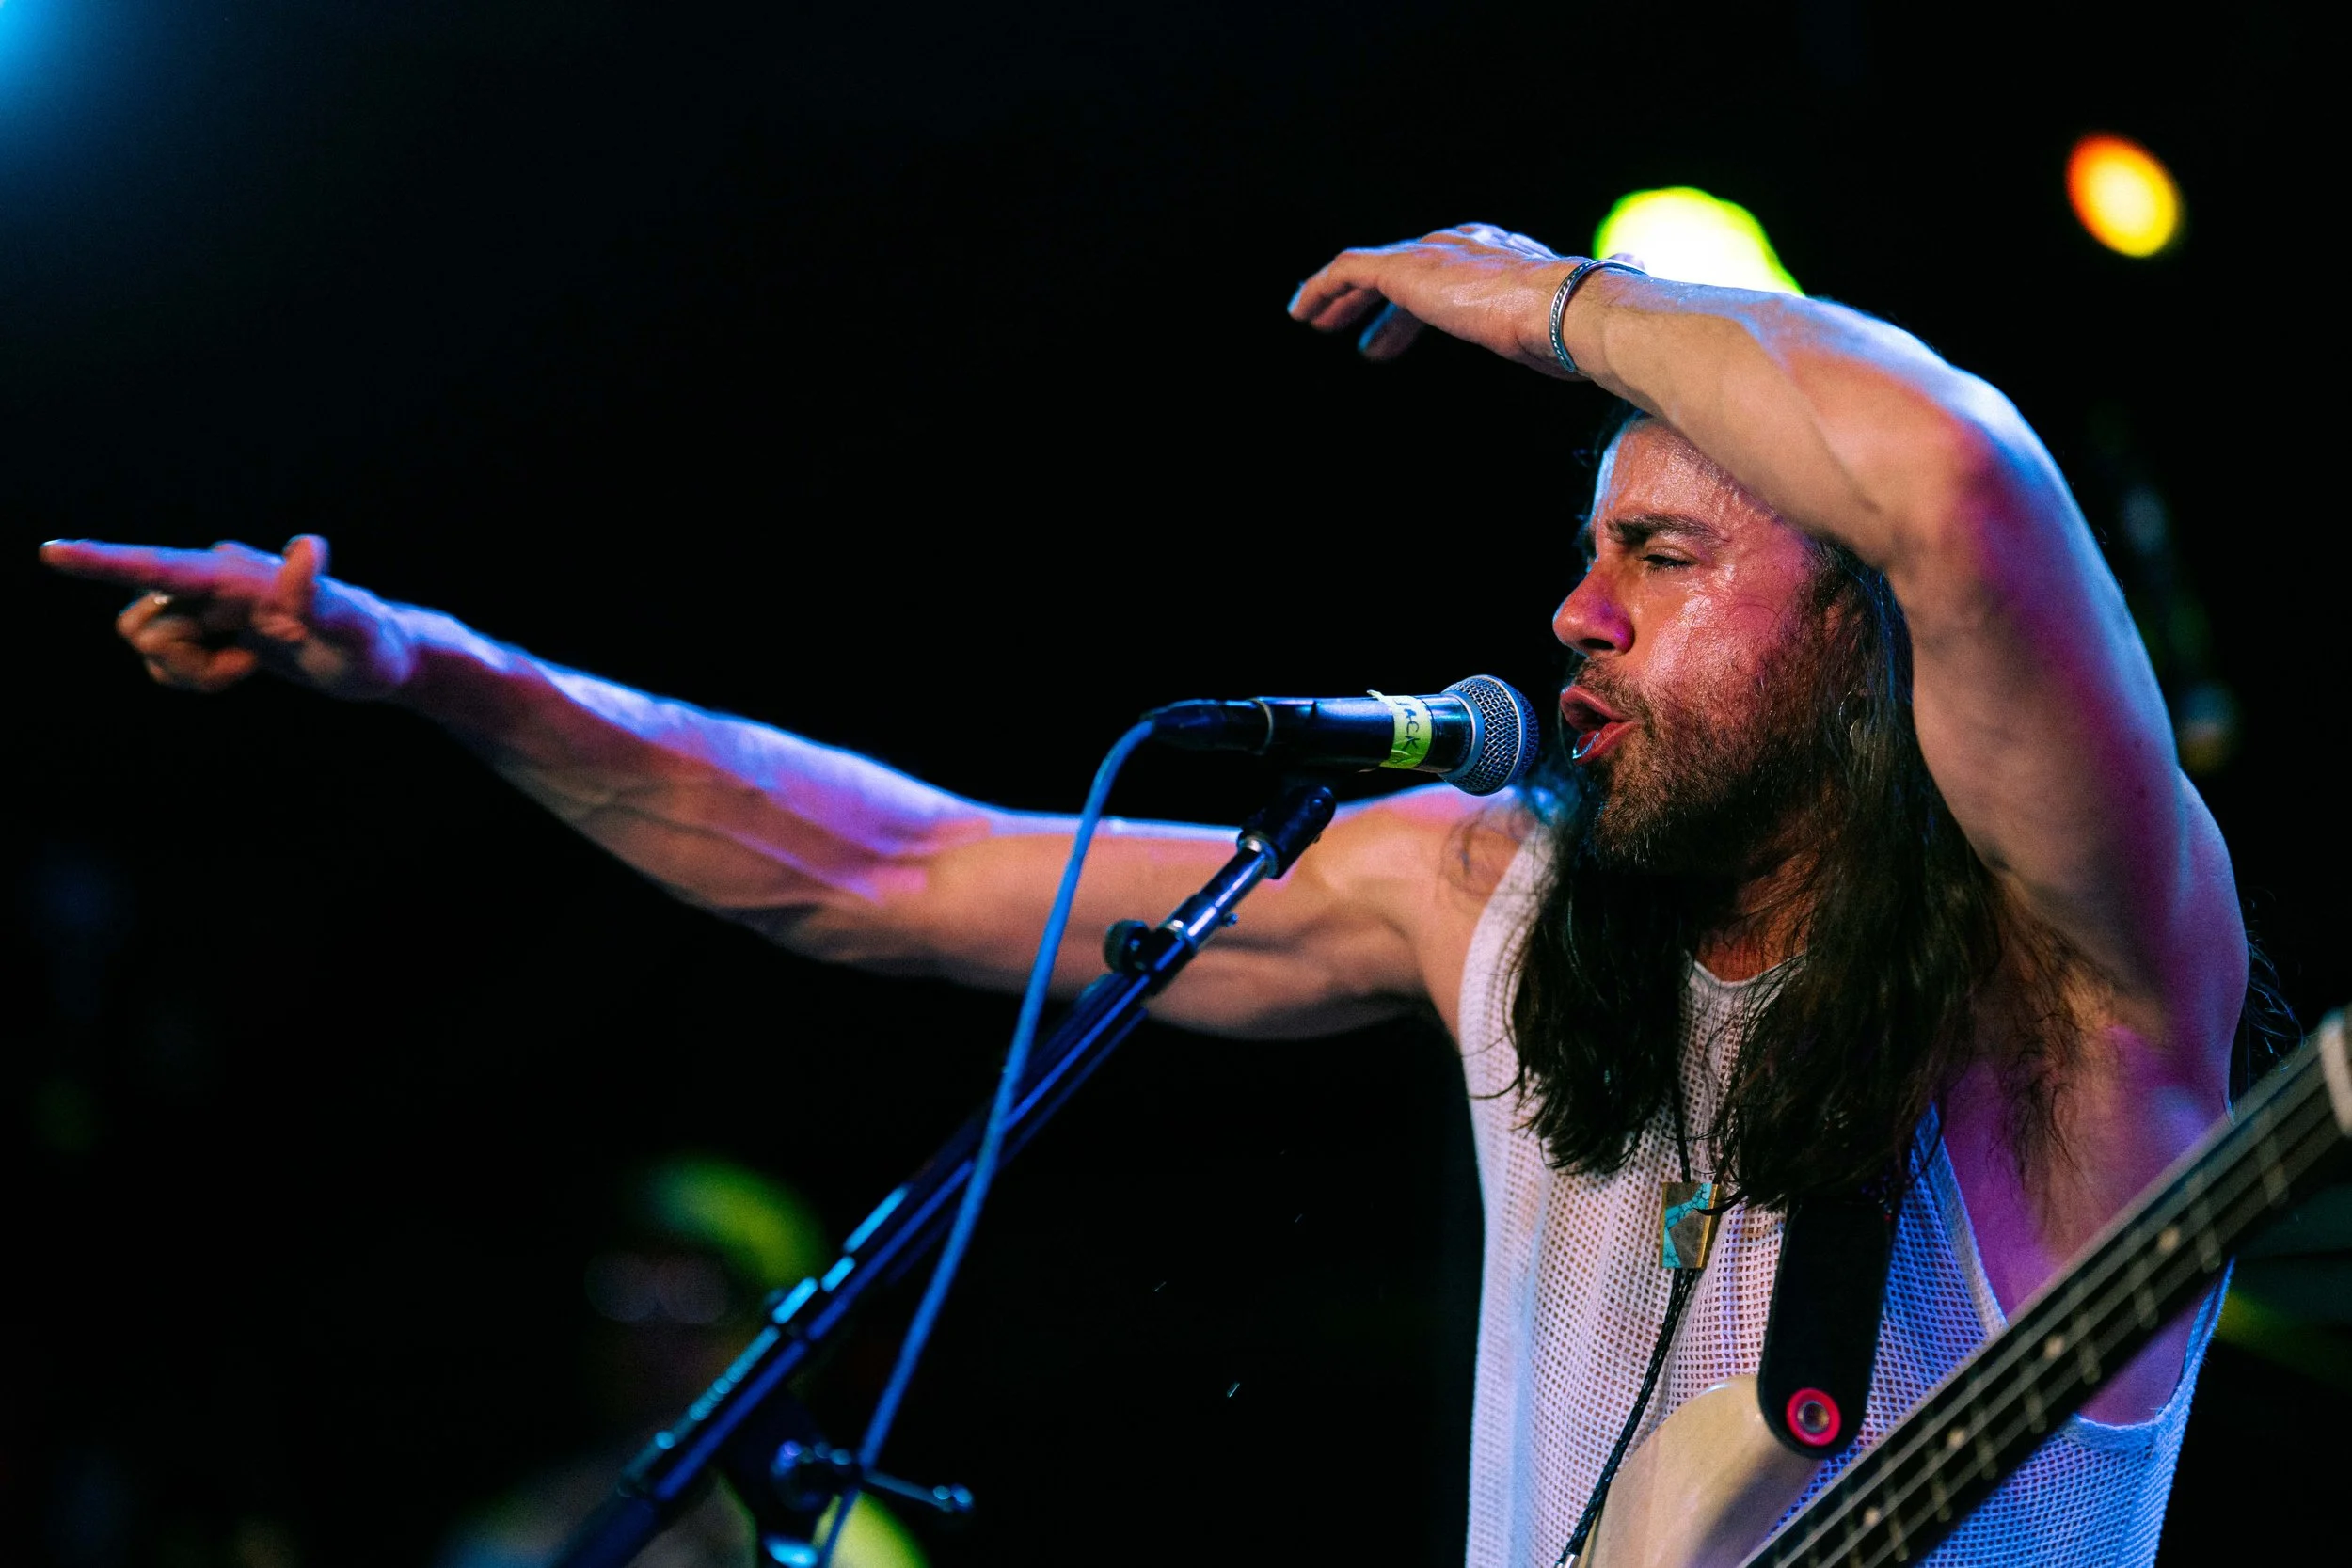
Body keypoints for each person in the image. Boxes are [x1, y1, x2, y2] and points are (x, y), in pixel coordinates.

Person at [40, 222, 2265, 1567]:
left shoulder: (2073, 997)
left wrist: (1560, 306)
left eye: (1659, 558)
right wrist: (433, 670)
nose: (1570, 615)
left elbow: (1959, 487)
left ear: (1862, 643)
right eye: (1581, 548)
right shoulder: (1486, 905)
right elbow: (876, 865)